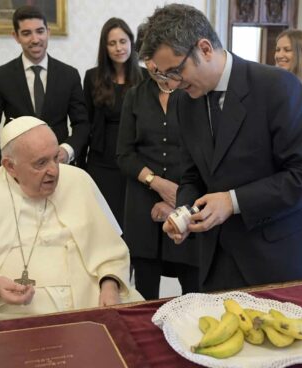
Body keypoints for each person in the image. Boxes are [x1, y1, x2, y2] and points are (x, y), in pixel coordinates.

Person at [140, 4, 302, 292]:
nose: (173, 84)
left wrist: (233, 201)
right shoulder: (184, 102)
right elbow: (192, 175)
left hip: (277, 260)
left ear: (204, 49)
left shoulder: (277, 87)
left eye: (176, 71)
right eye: (163, 76)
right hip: (216, 262)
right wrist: (185, 214)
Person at [0, 116, 143, 322]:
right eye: (40, 163)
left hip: (90, 304)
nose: (54, 171)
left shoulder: (79, 181)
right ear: (10, 166)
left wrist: (110, 285)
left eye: (55, 157)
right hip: (13, 315)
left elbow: (112, 252)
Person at [116, 25, 199, 300]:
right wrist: (156, 183)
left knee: (193, 292)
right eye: (147, 57)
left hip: (187, 201)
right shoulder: (134, 96)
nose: (153, 64)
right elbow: (124, 154)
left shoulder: (193, 94)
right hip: (142, 204)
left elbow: (203, 155)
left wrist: (176, 198)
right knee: (144, 295)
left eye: (157, 55)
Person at [0, 5, 89, 165]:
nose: (35, 39)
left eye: (40, 31)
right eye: (26, 33)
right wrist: (5, 156)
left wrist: (67, 150)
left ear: (48, 32)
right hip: (17, 168)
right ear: (15, 36)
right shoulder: (1, 76)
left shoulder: (69, 75)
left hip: (59, 165)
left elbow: (82, 123)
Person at [81, 18, 144, 227]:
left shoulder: (145, 78)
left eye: (123, 41)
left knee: (132, 221)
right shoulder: (92, 77)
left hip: (135, 160)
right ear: (105, 47)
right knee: (104, 222)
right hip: (102, 161)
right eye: (112, 43)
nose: (119, 48)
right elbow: (86, 122)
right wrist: (80, 166)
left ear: (131, 43)